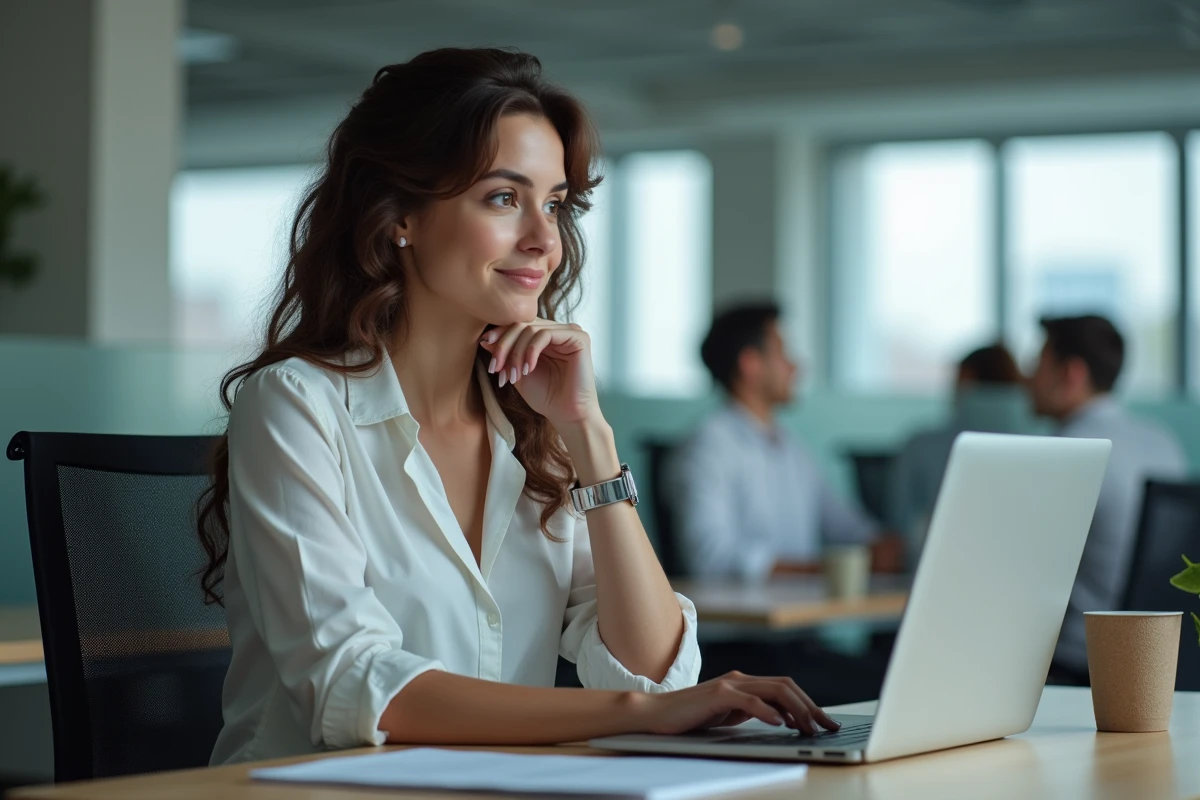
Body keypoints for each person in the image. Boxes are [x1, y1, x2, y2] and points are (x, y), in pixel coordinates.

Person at [195, 49, 840, 765]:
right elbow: (355, 688)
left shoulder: (535, 425)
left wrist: (589, 435)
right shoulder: (296, 406)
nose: (545, 240)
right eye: (504, 198)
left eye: (555, 204)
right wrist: (639, 714)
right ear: (401, 215)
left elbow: (656, 668)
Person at [668, 302, 904, 581]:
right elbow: (710, 557)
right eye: (782, 353)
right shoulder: (707, 447)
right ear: (750, 364)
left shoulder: (791, 448)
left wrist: (877, 542)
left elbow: (842, 523)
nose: (795, 366)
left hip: (803, 619)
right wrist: (820, 570)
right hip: (746, 622)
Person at [1027, 315, 1188, 684]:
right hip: (1158, 665)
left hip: (1078, 667)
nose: (1028, 380)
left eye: (1038, 364)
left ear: (1071, 372)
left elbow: (1011, 575)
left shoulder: (1060, 453)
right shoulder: (1162, 442)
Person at [889, 343, 1028, 560]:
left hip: (940, 573)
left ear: (966, 379)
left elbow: (900, 530)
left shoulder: (922, 446)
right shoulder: (1050, 437)